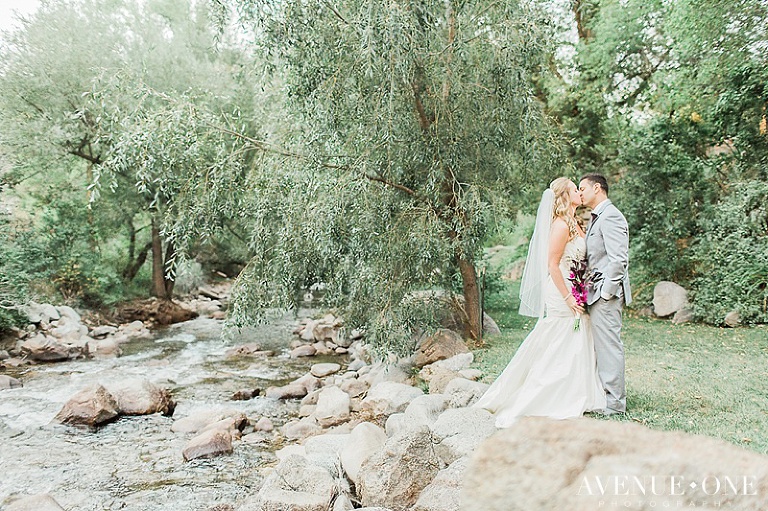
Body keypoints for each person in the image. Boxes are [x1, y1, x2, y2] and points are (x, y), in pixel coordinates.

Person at [474, 177, 606, 427]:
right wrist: (568, 297)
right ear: (565, 196)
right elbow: (552, 265)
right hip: (561, 291)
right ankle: (544, 391)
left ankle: (579, 391)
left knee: (577, 335)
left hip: (575, 286)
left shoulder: (575, 223)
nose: (579, 192)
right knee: (559, 337)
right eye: (574, 189)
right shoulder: (560, 226)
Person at [579, 174, 631, 415]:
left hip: (604, 294)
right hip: (593, 292)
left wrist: (607, 294)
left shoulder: (611, 216)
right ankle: (604, 394)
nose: (579, 193)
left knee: (610, 346)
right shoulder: (596, 217)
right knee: (601, 345)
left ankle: (615, 403)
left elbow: (619, 259)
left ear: (596, 188)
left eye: (582, 188)